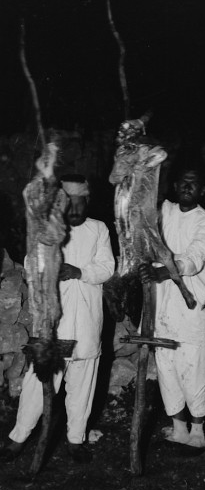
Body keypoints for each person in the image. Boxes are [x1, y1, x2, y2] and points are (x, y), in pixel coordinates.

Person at [0, 175, 115, 463]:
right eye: (68, 205)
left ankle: (75, 440)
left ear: (87, 202)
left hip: (86, 322)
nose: (74, 211)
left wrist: (79, 272)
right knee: (36, 384)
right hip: (53, 325)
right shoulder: (47, 230)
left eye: (80, 204)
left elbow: (107, 268)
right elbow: (29, 264)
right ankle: (18, 437)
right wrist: (47, 267)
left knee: (82, 386)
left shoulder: (98, 229)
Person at [141, 166, 205, 452]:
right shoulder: (165, 212)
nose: (188, 186)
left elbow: (194, 258)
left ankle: (198, 431)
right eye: (183, 182)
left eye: (194, 183)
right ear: (175, 186)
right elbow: (141, 209)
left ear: (202, 191)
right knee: (167, 369)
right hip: (162, 308)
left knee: (195, 371)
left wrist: (166, 272)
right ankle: (178, 428)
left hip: (193, 311)